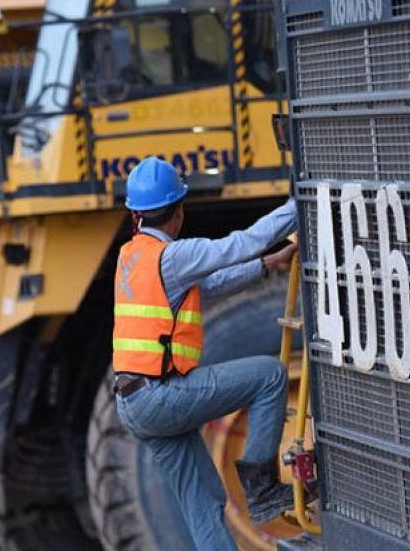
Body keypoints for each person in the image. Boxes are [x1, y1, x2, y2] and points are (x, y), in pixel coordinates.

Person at [112, 157, 299, 551]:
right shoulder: (175, 257)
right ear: (179, 212)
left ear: (136, 215)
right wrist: (301, 205)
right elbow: (242, 243)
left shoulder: (133, 255)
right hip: (159, 396)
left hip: (132, 404)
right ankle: (262, 490)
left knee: (203, 504)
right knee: (270, 376)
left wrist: (266, 266)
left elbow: (208, 285)